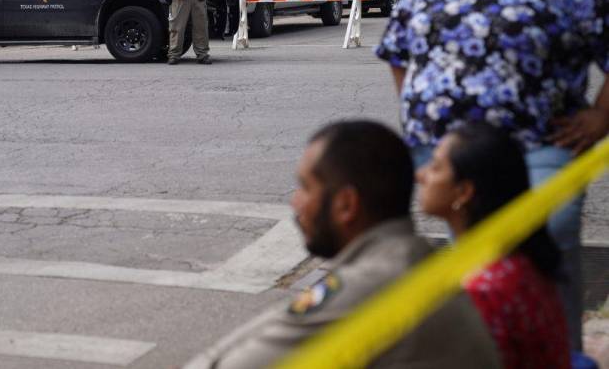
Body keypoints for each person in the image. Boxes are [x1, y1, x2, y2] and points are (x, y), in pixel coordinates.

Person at [375, 0, 609, 348]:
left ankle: (556, 353)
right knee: (476, 268)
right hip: (450, 154)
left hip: (538, 148)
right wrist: (418, 119)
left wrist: (601, 116)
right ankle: (491, 353)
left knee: (545, 253)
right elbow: (396, 49)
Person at [183, 121, 501, 369]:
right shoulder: (411, 260)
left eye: (305, 188)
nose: (295, 204)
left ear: (346, 205)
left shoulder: (374, 282)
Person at [417, 123, 571, 368]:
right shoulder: (518, 262)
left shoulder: (484, 288)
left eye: (435, 167)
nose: (421, 175)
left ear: (464, 191)